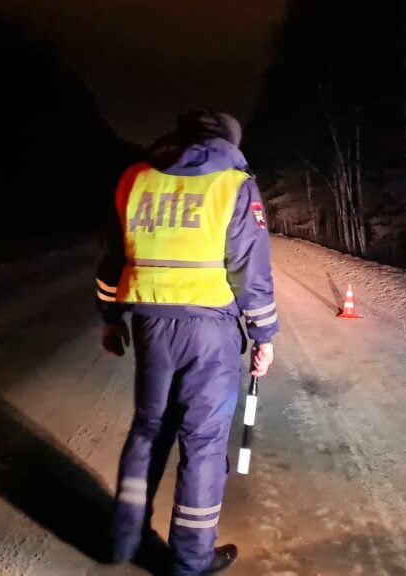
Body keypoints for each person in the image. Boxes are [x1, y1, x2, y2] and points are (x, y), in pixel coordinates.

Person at [95, 109, 278, 575]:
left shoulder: (135, 178)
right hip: (210, 332)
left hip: (150, 325)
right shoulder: (235, 183)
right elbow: (249, 270)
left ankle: (124, 539)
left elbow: (113, 257)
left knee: (148, 431)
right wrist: (263, 335)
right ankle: (190, 561)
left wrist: (111, 317)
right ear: (230, 141)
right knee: (203, 443)